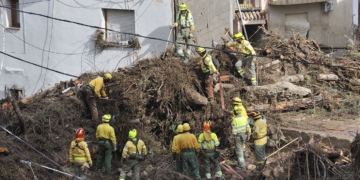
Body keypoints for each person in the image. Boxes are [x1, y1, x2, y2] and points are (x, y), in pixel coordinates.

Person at [230, 99, 251, 170]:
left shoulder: (234, 120)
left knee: (239, 152)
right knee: (242, 148)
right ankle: (241, 164)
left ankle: (242, 166)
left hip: (238, 136)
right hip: (244, 135)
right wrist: (249, 134)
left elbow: (234, 131)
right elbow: (248, 127)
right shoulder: (244, 119)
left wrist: (233, 137)